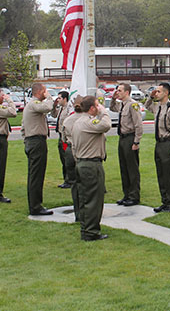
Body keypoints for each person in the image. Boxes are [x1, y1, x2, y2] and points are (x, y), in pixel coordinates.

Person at [69, 95, 111, 241]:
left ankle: (86, 228)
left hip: (81, 162)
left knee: (85, 198)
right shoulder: (88, 122)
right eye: (97, 105)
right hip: (91, 164)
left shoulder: (78, 122)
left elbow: (73, 146)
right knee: (94, 199)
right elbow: (106, 125)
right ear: (92, 108)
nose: (99, 107)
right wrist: (103, 111)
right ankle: (91, 232)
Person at [145, 82, 170, 213]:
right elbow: (146, 106)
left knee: (169, 175)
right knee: (161, 173)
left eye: (159, 91)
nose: (156, 93)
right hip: (159, 143)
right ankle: (165, 201)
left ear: (166, 93)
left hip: (168, 143)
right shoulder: (158, 107)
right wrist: (150, 96)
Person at [22, 83, 54, 216]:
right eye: (44, 91)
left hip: (33, 141)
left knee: (36, 174)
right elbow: (48, 107)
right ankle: (35, 207)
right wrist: (50, 97)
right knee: (36, 175)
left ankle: (36, 204)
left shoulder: (32, 105)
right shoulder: (34, 104)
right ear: (40, 91)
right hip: (36, 142)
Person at [110, 83, 143, 206]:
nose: (117, 92)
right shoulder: (122, 104)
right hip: (122, 138)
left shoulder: (132, 105)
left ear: (127, 92)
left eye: (120, 90)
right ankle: (127, 194)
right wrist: (113, 98)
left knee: (132, 169)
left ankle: (134, 196)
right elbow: (113, 108)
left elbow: (138, 125)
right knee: (124, 168)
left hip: (130, 138)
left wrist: (136, 141)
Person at [60, 95, 84, 221]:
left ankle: (78, 213)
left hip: (69, 150)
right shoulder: (88, 119)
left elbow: (63, 137)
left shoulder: (68, 120)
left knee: (74, 183)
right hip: (83, 150)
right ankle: (87, 213)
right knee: (86, 182)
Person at [52, 91, 72, 189]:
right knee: (63, 159)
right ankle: (66, 179)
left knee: (67, 159)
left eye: (59, 98)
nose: (58, 100)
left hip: (65, 138)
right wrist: (54, 106)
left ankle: (69, 180)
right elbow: (53, 115)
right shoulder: (61, 109)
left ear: (65, 99)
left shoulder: (68, 109)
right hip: (60, 136)